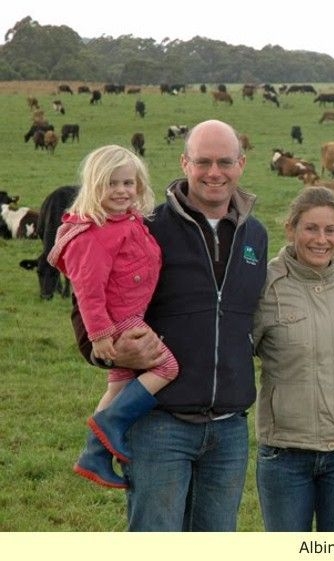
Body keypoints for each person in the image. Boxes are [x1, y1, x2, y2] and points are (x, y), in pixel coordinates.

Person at [71, 119, 268, 531]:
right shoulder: (146, 227)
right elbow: (89, 295)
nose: (214, 172)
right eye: (203, 162)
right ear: (184, 163)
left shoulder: (255, 235)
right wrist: (107, 351)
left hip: (229, 428)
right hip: (160, 424)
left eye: (225, 162)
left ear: (241, 164)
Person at [48, 145, 178, 490]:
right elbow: (88, 290)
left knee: (119, 384)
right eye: (111, 184)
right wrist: (101, 335)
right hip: (121, 318)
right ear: (94, 186)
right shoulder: (93, 234)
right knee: (167, 367)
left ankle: (94, 454)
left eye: (128, 183)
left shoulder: (129, 220)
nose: (121, 191)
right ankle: (110, 426)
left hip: (131, 312)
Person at [252, 186, 334, 531]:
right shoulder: (265, 286)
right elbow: (234, 353)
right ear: (291, 229)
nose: (321, 240)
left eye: (330, 230)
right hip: (285, 452)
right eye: (310, 228)